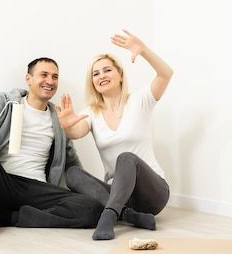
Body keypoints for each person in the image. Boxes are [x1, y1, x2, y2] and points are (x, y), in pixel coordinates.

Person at [0, 57, 104, 241]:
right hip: (2, 181)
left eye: (55, 77)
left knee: (92, 208)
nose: (50, 81)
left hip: (36, 188)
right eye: (44, 75)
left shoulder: (58, 118)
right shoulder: (7, 101)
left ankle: (8, 217)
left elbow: (73, 163)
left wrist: (96, 194)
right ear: (29, 79)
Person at [56, 29, 173, 240]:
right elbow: (76, 132)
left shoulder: (140, 101)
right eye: (96, 73)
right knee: (73, 173)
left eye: (107, 70)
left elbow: (166, 74)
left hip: (152, 195)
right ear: (92, 82)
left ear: (120, 75)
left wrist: (143, 50)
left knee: (126, 158)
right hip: (119, 195)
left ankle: (109, 217)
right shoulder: (91, 112)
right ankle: (130, 215)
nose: (101, 76)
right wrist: (66, 126)